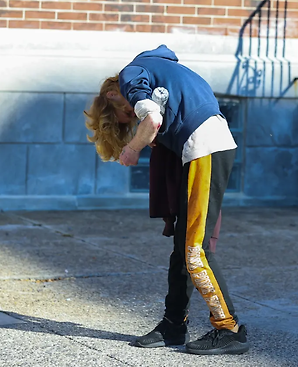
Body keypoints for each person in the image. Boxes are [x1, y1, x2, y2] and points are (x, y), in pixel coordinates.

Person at [84, 45, 248, 355]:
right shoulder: (158, 70)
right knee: (182, 248)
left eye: (124, 117)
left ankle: (230, 329)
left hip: (205, 147)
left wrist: (131, 149)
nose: (129, 118)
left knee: (194, 250)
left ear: (112, 96)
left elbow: (153, 120)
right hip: (204, 146)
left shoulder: (131, 75)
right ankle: (173, 325)